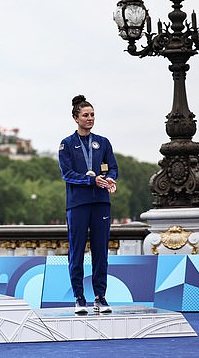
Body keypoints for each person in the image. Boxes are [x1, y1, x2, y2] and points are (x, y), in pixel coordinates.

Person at [58, 95, 118, 315]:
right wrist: (92, 180)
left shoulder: (103, 142)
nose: (90, 118)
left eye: (92, 114)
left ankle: (100, 297)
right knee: (77, 251)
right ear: (75, 118)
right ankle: (79, 297)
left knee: (101, 251)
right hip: (78, 204)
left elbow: (113, 168)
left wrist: (110, 179)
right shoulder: (67, 144)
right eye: (85, 115)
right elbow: (68, 174)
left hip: (101, 202)